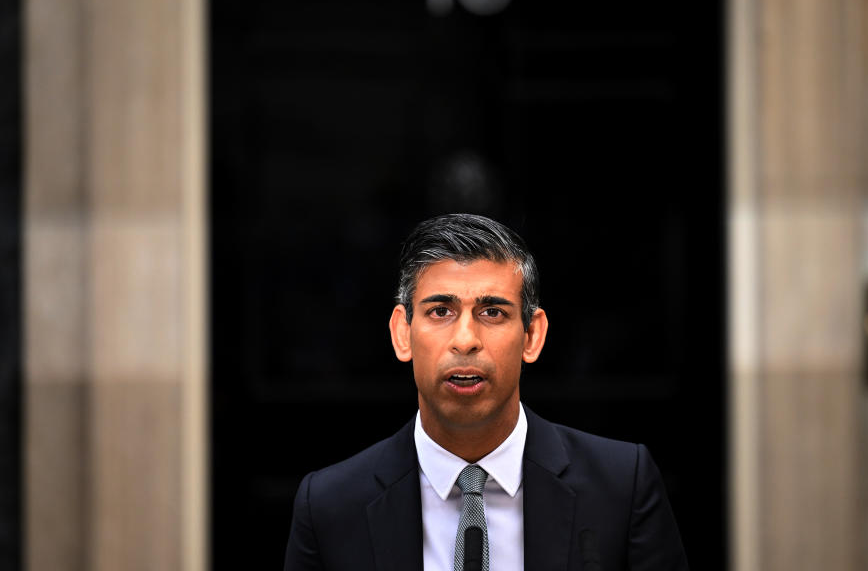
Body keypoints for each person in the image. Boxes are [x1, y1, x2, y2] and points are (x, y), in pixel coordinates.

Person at [283, 214, 688, 570]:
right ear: (402, 333)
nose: (465, 340)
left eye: (492, 312)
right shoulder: (330, 506)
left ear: (532, 335)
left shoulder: (621, 486)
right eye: (440, 311)